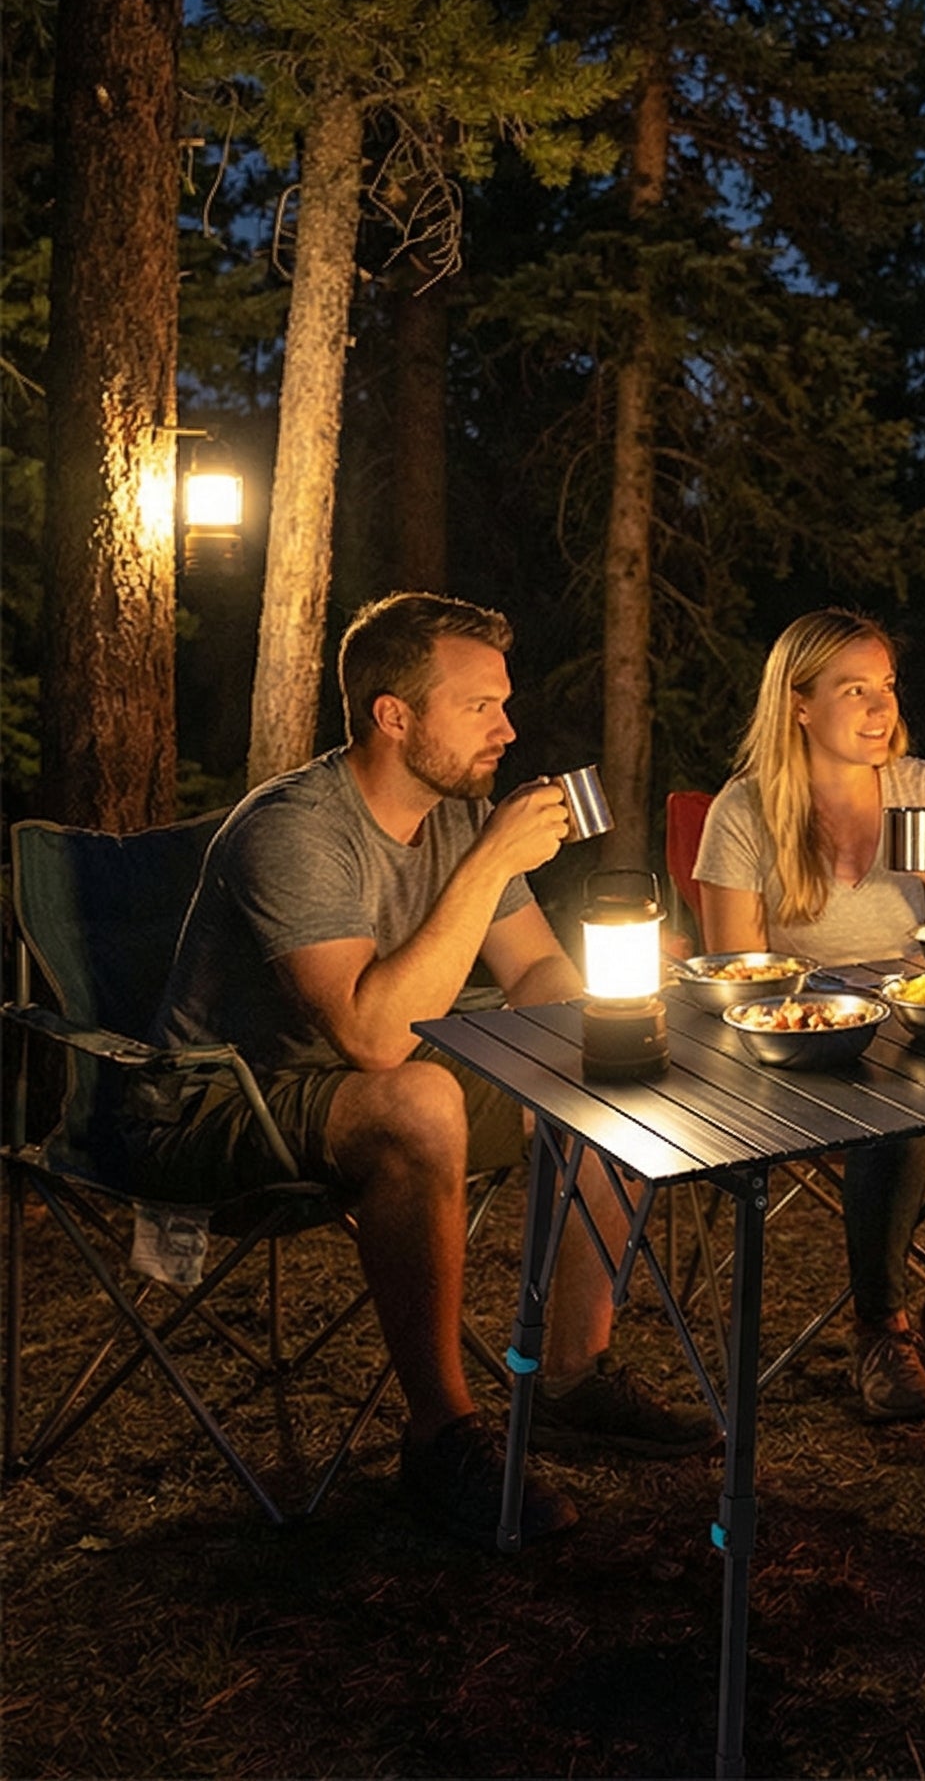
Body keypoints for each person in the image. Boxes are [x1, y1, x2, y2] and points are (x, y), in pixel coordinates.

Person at [138, 593, 713, 1547]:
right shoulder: (294, 829)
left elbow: (532, 970)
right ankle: (442, 1435)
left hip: (374, 1083)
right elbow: (369, 1036)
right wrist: (487, 864)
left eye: (504, 703)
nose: (508, 727)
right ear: (393, 715)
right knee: (421, 1097)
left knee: (602, 1071)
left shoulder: (455, 818)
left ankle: (574, 1375)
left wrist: (603, 1027)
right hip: (221, 1100)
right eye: (479, 706)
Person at [695, 608, 925, 1423]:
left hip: (922, 1028)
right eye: (854, 689)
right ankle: (881, 1331)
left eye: (885, 686)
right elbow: (743, 983)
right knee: (901, 1104)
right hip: (810, 1049)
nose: (880, 707)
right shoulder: (743, 814)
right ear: (799, 704)